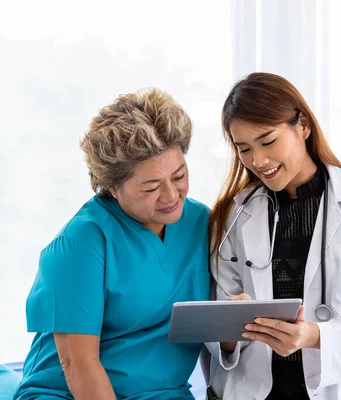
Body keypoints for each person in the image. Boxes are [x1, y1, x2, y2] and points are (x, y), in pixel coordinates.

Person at [203, 72, 341, 400]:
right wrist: (229, 328)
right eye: (244, 149)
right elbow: (219, 343)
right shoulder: (233, 216)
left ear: (303, 126)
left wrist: (313, 337)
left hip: (340, 390)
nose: (258, 161)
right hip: (253, 391)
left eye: (268, 141)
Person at [14, 88, 210, 400]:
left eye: (179, 175)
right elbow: (77, 362)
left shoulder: (201, 223)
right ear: (112, 187)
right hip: (68, 392)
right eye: (151, 187)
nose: (171, 196)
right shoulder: (82, 242)